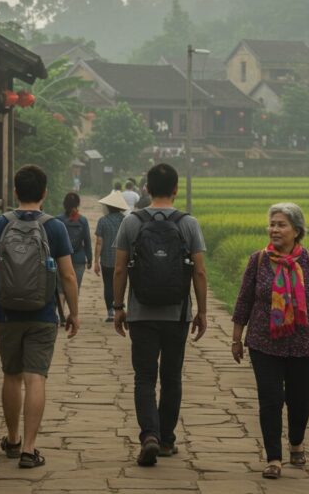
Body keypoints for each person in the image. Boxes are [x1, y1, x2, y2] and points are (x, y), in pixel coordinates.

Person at [0, 165, 80, 469]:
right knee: (35, 377)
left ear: (14, 192)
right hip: (43, 314)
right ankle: (29, 448)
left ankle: (11, 440)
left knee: (11, 376)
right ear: (44, 193)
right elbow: (67, 274)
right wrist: (73, 313)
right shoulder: (54, 227)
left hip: (8, 313)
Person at [230, 202, 309, 480]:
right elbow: (244, 300)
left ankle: (297, 442)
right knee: (270, 399)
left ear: (297, 230)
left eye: (281, 225)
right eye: (272, 224)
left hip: (303, 343)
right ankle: (274, 458)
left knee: (299, 400)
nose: (274, 230)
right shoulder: (258, 260)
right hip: (264, 342)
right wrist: (236, 339)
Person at [113, 163, 208, 467]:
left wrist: (118, 307)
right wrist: (202, 311)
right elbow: (200, 272)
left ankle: (149, 435)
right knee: (171, 377)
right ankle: (166, 440)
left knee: (144, 377)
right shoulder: (188, 223)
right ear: (176, 189)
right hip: (177, 314)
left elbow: (118, 269)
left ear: (147, 189)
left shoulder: (131, 222)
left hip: (141, 313)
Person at [93, 190, 128, 322]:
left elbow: (99, 242)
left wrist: (96, 261)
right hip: (123, 260)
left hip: (106, 260)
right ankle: (120, 307)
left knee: (108, 284)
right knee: (122, 283)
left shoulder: (102, 221)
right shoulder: (126, 220)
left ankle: (110, 312)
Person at [57, 191, 92, 291]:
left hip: (61, 259)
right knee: (75, 289)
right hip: (78, 259)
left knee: (60, 289)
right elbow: (87, 241)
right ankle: (73, 307)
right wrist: (89, 258)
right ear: (78, 204)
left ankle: (61, 307)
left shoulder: (58, 220)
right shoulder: (82, 220)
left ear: (64, 204)